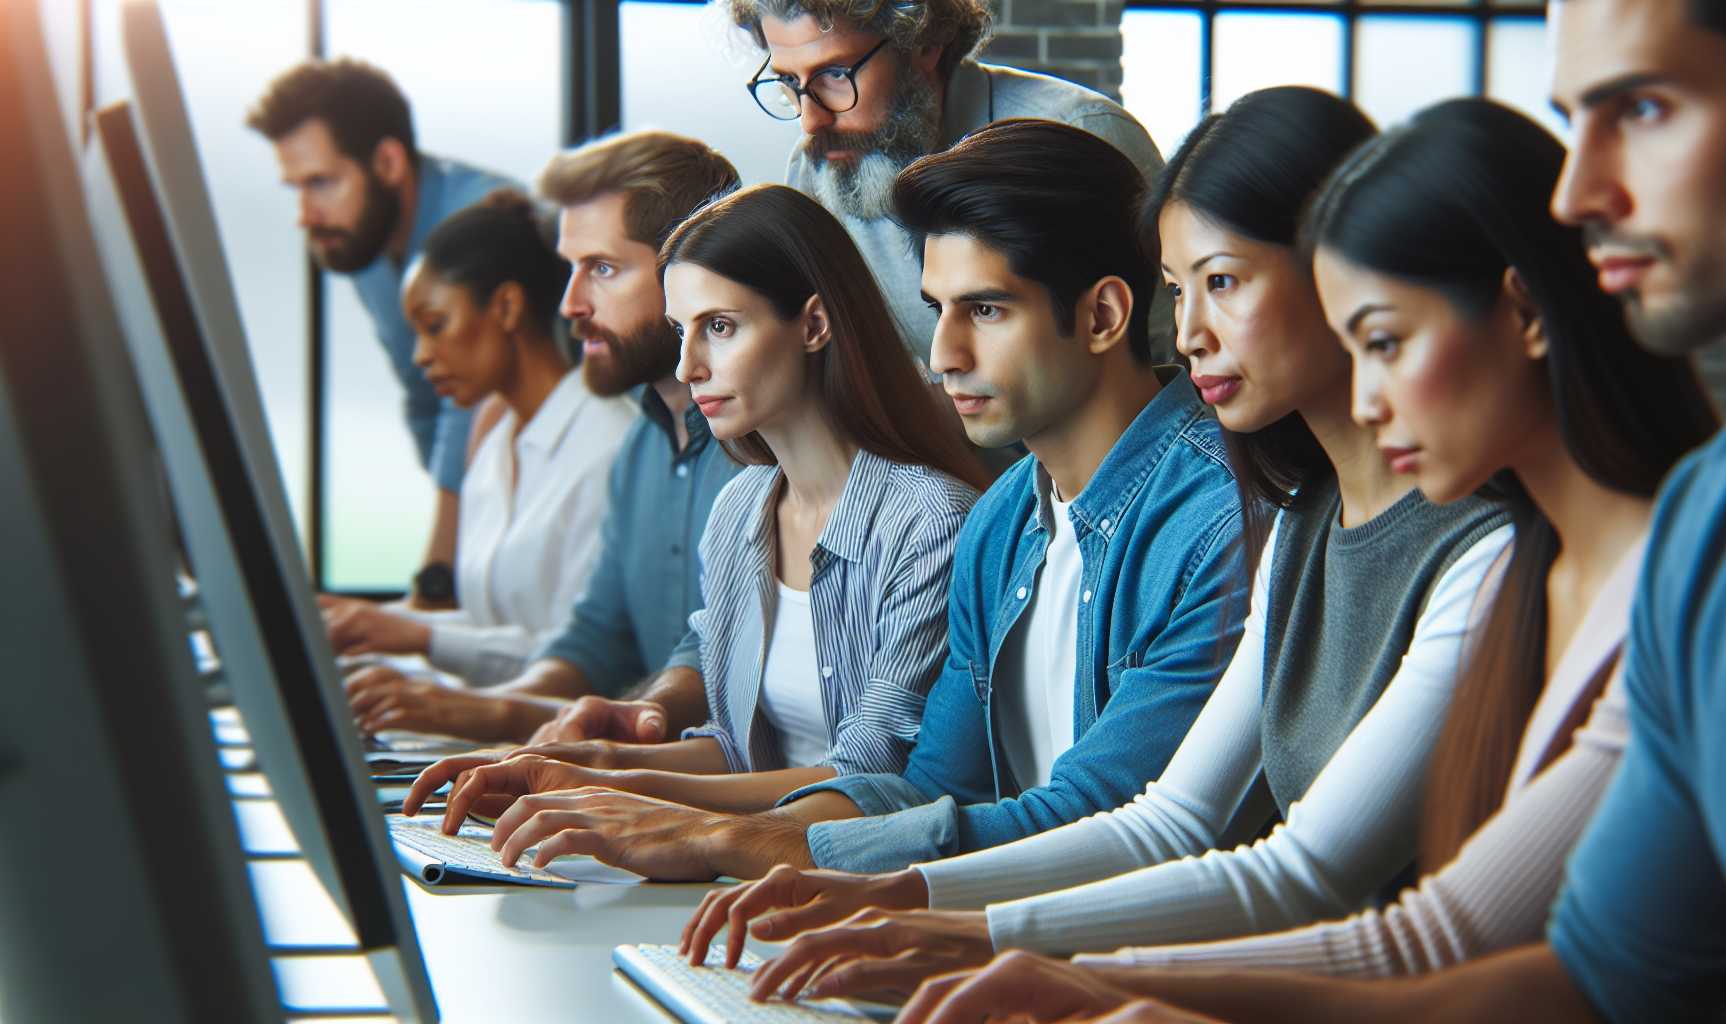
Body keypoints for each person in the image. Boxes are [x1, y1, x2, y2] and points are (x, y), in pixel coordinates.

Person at [893, 0, 1726, 1019]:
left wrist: (1001, 941)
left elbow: (1367, 901)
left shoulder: (1538, 545)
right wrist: (990, 943)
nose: (1579, 193)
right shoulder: (1706, 521)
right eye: (1180, 289)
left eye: (1641, 107)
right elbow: (1585, 967)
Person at [685, 88, 1529, 1001]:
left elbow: (1283, 872)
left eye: (1225, 281)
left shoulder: (1254, 514)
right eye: (1181, 288)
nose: (942, 356)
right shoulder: (1269, 520)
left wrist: (979, 934)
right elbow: (1060, 806)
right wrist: (892, 891)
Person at [419, 119, 1247, 883]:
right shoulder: (1003, 525)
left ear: (1102, 315)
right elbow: (925, 791)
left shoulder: (1215, 515)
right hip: (994, 936)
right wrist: (629, 797)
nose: (946, 354)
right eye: (937, 312)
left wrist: (727, 840)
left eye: (986, 311)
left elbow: (1098, 816)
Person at [392, 183, 985, 825]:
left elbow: (871, 776)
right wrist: (582, 764)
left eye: (720, 328)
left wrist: (624, 794)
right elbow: (735, 751)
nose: (687, 367)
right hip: (734, 872)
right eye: (682, 332)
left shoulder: (930, 522)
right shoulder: (739, 511)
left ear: (814, 324)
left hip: (849, 891)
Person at [341, 131, 746, 742]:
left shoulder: (759, 454)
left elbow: (713, 694)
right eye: (572, 269)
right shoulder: (642, 448)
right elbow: (594, 641)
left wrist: (484, 711)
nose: (569, 305)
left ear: (690, 276)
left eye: (602, 269)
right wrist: (474, 707)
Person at [314, 191, 638, 689]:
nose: (421, 357)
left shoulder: (609, 446)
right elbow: (489, 633)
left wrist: (414, 636)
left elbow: (581, 657)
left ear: (507, 307)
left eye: (435, 325)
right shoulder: (493, 450)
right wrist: (370, 628)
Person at [727, 0, 1170, 363]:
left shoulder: (1083, 134)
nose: (810, 120)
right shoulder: (815, 171)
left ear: (924, 44)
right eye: (788, 81)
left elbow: (1160, 364)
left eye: (835, 75)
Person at [249, 59, 514, 586]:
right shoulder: (365, 241)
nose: (305, 214)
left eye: (322, 183)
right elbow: (423, 395)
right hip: (494, 509)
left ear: (389, 161)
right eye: (295, 188)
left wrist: (438, 576)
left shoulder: (480, 223)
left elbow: (470, 403)